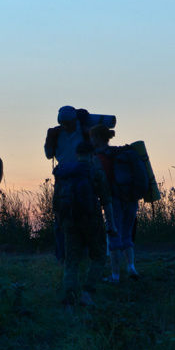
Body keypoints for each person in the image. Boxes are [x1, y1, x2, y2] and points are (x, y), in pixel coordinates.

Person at [53, 141, 116, 307]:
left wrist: (61, 222)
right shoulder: (95, 172)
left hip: (69, 222)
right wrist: (111, 225)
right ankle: (87, 293)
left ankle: (69, 296)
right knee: (99, 255)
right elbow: (106, 202)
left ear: (76, 154)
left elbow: (55, 203)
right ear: (92, 155)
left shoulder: (64, 173)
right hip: (91, 220)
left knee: (71, 260)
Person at [89, 124, 140, 282]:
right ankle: (131, 267)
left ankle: (115, 275)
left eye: (92, 137)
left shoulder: (99, 158)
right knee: (127, 233)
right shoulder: (120, 153)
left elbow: (99, 181)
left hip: (114, 200)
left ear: (97, 138)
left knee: (113, 234)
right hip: (131, 197)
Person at [44, 106, 91, 263]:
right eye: (62, 123)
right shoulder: (55, 133)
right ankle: (62, 254)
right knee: (60, 216)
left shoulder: (84, 131)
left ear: (74, 120)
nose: (65, 125)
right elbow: (48, 154)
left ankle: (81, 252)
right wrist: (50, 138)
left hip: (80, 177)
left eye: (67, 122)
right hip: (64, 178)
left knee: (82, 214)